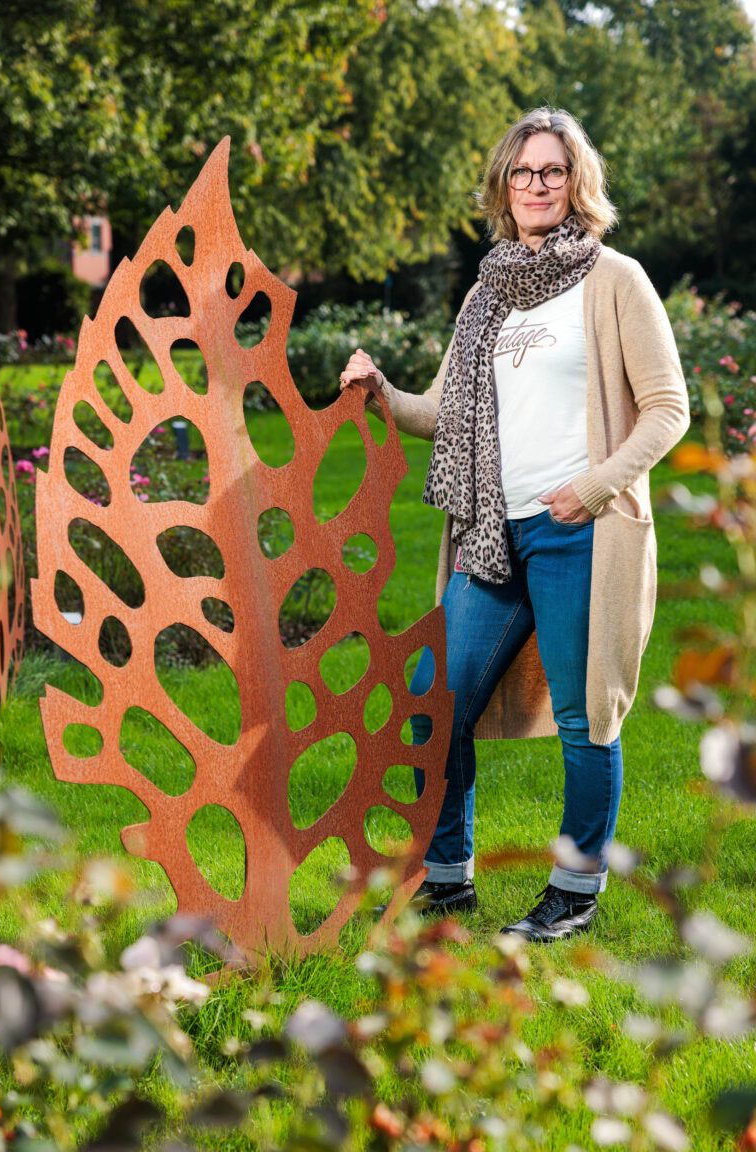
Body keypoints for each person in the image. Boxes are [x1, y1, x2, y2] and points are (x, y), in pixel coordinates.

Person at [339, 107, 689, 941]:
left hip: (579, 533)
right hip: (491, 535)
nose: (537, 185)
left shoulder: (615, 280)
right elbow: (443, 413)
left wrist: (595, 488)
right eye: (523, 171)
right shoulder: (487, 291)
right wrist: (381, 391)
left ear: (576, 183)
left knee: (585, 716)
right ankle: (448, 878)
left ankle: (573, 891)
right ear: (504, 184)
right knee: (435, 702)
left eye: (553, 171)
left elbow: (668, 408)